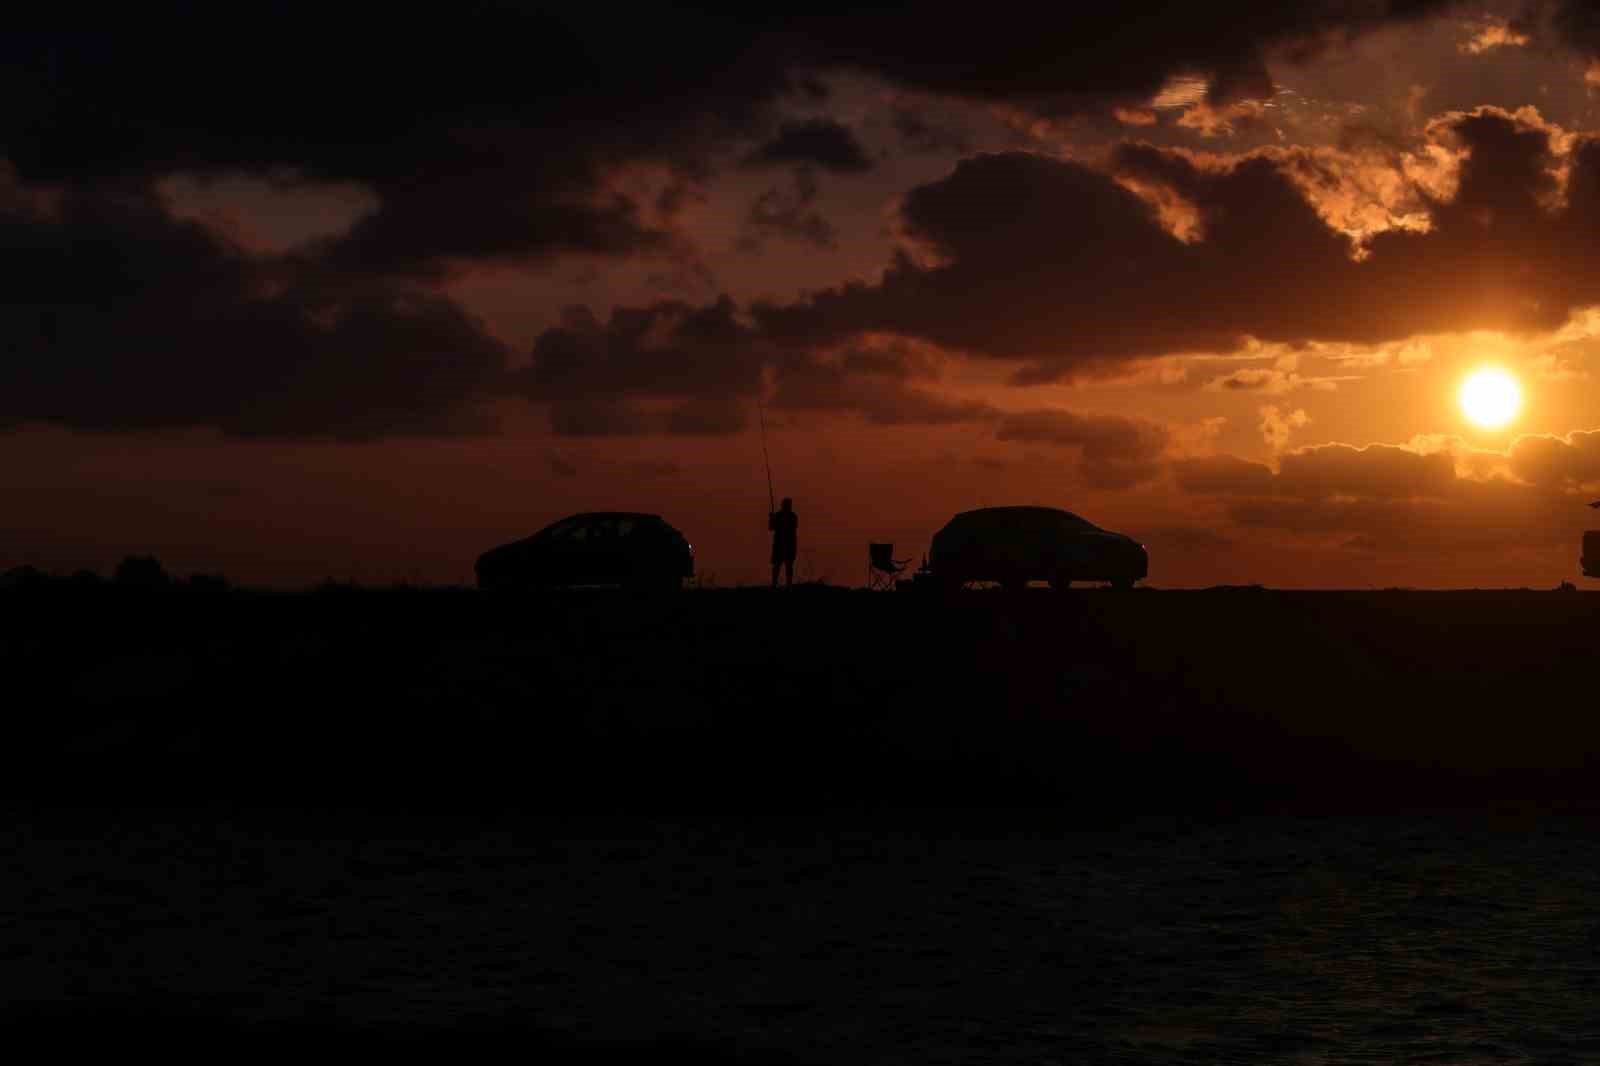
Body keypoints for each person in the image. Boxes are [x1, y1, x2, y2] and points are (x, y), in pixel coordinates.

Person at [769, 497, 798, 589]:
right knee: (778, 566)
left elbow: (773, 527)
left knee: (787, 566)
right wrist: (771, 519)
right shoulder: (789, 516)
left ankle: (788, 584)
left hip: (786, 545)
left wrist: (773, 519)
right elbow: (771, 527)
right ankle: (775, 584)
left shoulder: (792, 516)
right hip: (782, 545)